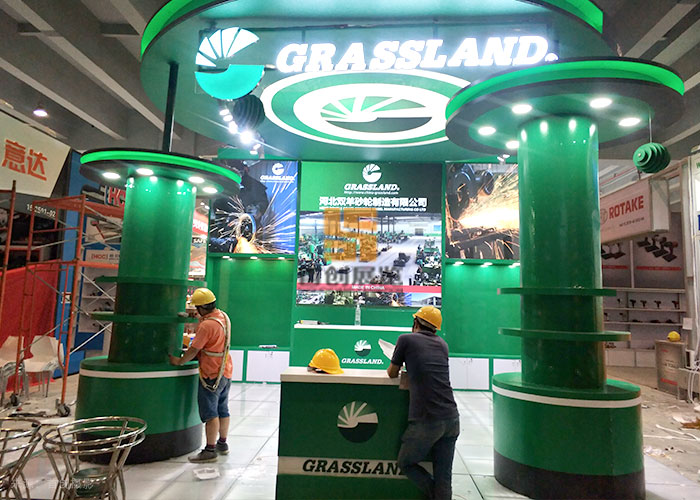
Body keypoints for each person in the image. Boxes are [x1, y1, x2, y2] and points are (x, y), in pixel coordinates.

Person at [387, 306, 459, 500]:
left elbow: (392, 373)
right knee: (444, 476)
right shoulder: (443, 344)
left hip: (427, 419)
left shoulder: (405, 339)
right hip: (452, 419)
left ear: (415, 322)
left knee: (406, 462)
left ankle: (434, 494)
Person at [169, 287, 233, 463]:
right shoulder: (223, 317)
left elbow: (194, 350)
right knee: (223, 409)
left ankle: (210, 450)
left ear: (202, 308)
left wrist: (179, 361)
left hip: (211, 373)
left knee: (210, 413)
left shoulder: (206, 325)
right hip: (225, 370)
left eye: (196, 308)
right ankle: (222, 444)